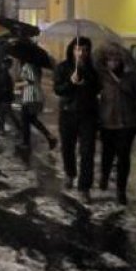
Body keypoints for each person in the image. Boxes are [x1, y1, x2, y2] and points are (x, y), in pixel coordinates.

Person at [95, 43, 136, 205]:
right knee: (107, 154)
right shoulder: (101, 77)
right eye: (110, 59)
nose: (113, 62)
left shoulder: (132, 77)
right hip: (107, 122)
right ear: (105, 61)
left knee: (124, 157)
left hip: (127, 123)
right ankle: (104, 176)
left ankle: (121, 190)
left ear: (122, 60)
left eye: (116, 59)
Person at [53, 37, 100, 203]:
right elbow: (58, 90)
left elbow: (97, 88)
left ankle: (84, 187)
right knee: (68, 147)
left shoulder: (92, 69)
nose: (81, 53)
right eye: (78, 49)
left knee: (87, 151)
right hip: (68, 113)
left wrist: (85, 76)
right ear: (72, 49)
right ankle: (70, 173)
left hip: (88, 114)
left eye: (85, 50)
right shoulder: (62, 67)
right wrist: (71, 82)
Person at [15, 60, 57, 151]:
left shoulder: (28, 65)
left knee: (25, 119)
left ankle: (26, 143)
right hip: (34, 96)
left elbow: (30, 81)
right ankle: (50, 137)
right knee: (32, 119)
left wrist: (18, 85)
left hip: (31, 96)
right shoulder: (35, 66)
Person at [0, 57, 20, 135]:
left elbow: (5, 86)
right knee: (4, 114)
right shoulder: (5, 73)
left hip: (5, 97)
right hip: (6, 97)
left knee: (8, 113)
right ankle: (1, 129)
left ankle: (18, 127)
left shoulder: (4, 74)